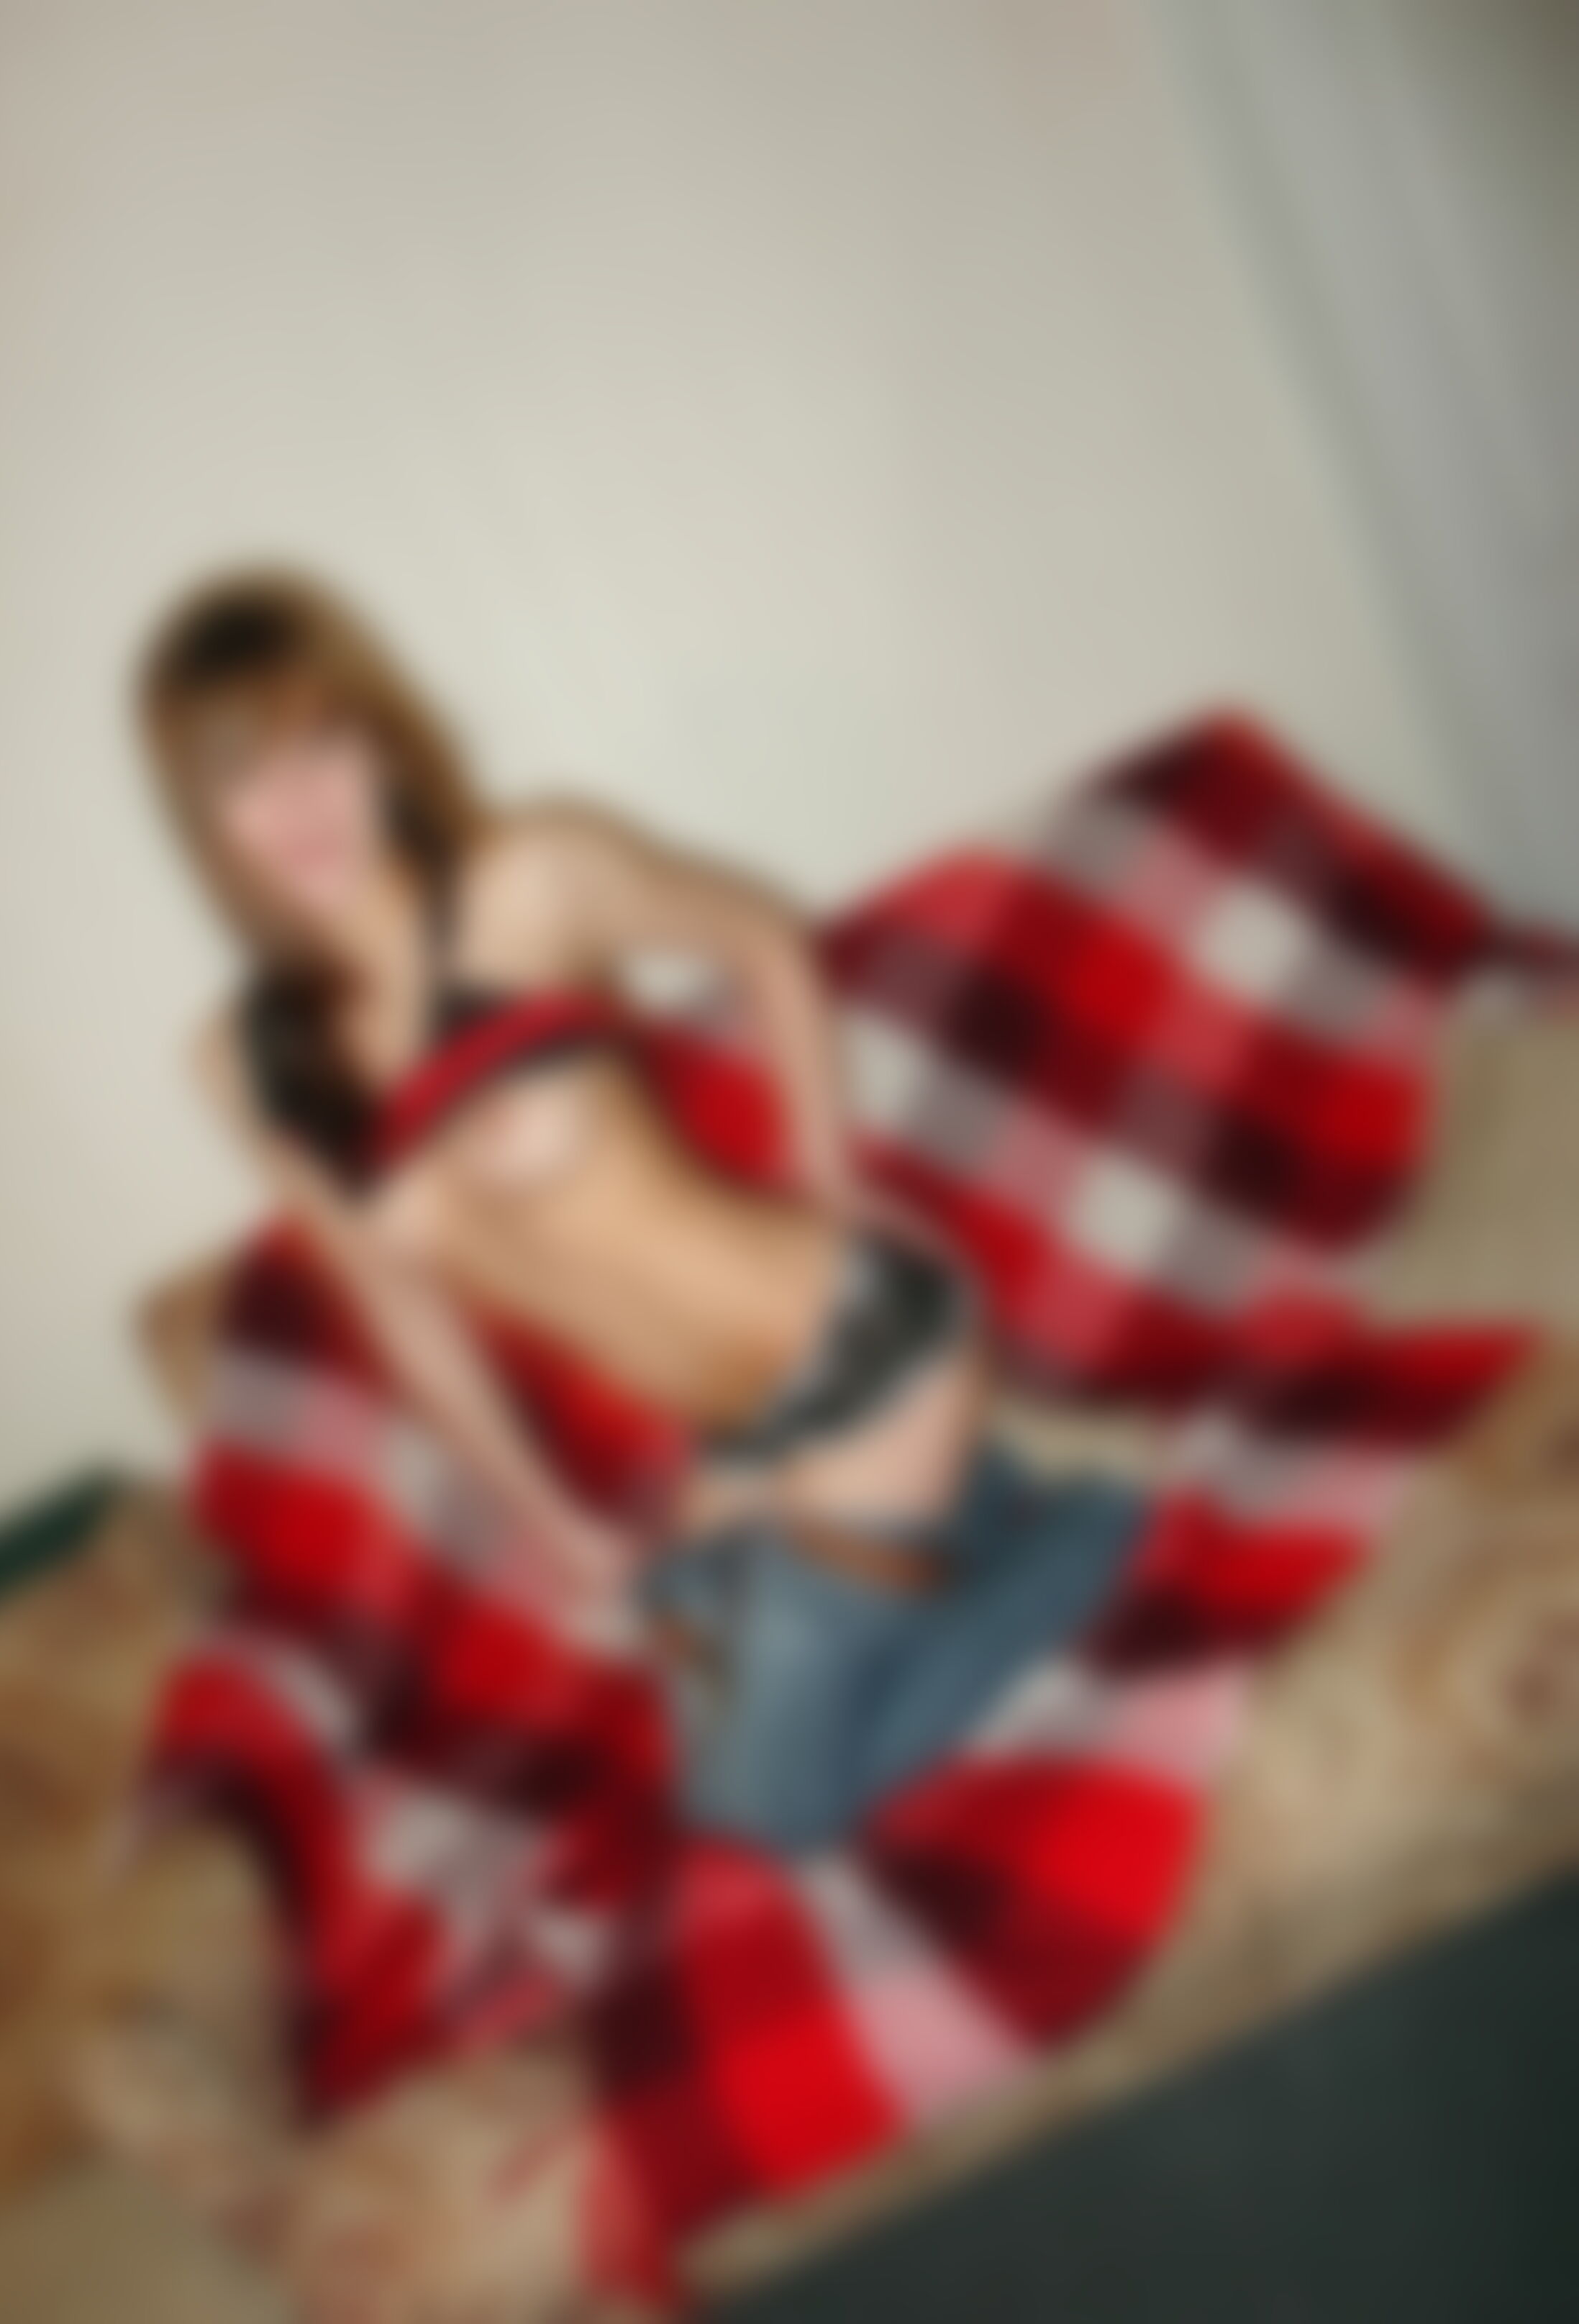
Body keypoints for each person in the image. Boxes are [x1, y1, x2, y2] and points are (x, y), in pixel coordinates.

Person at [138, 567, 1146, 1853]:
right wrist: (550, 1518)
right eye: (244, 775)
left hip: (860, 1348)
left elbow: (764, 936)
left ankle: (1105, 1522)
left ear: (379, 741)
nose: (298, 808)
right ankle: (971, 1505)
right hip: (732, 1446)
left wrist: (831, 1183)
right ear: (203, 821)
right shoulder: (246, 1067)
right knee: (698, 1752)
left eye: (319, 745)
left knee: (765, 1812)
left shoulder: (527, 879)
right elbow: (403, 1312)